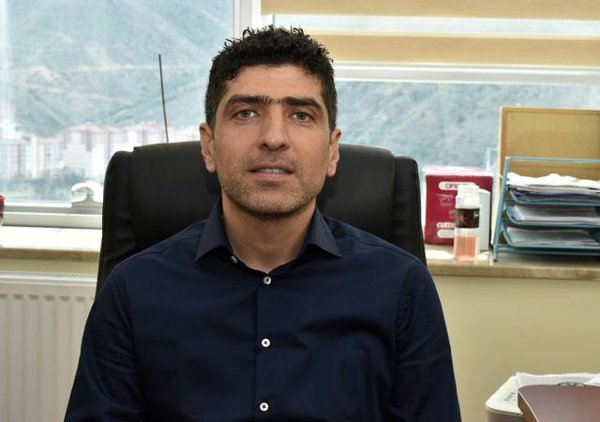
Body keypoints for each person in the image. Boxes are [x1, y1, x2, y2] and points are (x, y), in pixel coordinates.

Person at [65, 26, 461, 421]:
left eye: (301, 115)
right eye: (247, 113)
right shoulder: (133, 291)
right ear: (208, 146)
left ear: (332, 151)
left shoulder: (401, 289)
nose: (273, 137)